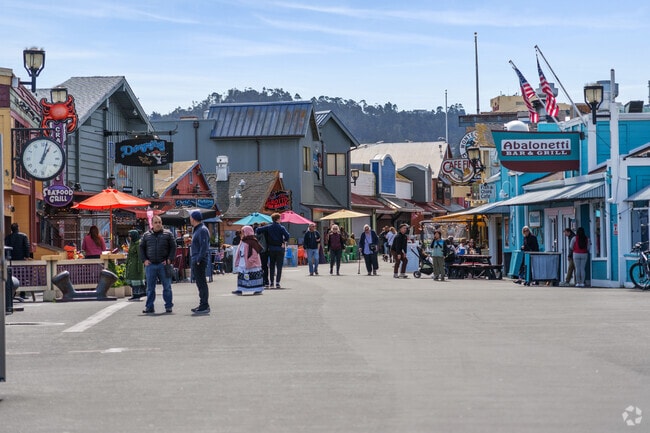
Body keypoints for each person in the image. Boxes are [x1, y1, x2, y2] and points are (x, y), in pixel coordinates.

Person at [139, 215, 176, 314]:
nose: (158, 224)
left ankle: (168, 306)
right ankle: (149, 307)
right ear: (152, 224)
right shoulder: (146, 235)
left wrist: (169, 259)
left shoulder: (168, 234)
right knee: (150, 288)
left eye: (159, 222)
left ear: (162, 223)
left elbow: (173, 247)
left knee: (167, 287)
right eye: (156, 222)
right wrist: (144, 260)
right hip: (150, 265)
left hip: (163, 264)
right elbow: (141, 248)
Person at [256, 212, 290, 289]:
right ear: (278, 219)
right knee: (279, 266)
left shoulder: (269, 227)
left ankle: (271, 282)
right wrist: (284, 241)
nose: (281, 220)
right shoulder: (281, 227)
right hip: (280, 248)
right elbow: (287, 236)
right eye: (280, 218)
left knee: (271, 266)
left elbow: (258, 230)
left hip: (271, 248)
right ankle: (277, 282)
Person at [189, 210, 211, 314]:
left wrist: (199, 259)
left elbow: (204, 246)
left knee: (201, 283)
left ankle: (204, 305)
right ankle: (202, 303)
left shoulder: (202, 229)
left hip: (199, 260)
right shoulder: (197, 229)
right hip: (196, 258)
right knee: (199, 283)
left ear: (193, 218)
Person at [233, 225, 264, 295]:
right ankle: (240, 289)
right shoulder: (243, 241)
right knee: (241, 275)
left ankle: (258, 289)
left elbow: (255, 254)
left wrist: (250, 261)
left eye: (243, 232)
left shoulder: (253, 242)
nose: (242, 234)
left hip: (251, 263)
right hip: (242, 261)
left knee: (253, 276)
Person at [5, 223, 31, 299]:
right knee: (23, 276)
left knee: (12, 276)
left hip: (11, 260)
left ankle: (13, 293)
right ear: (18, 228)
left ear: (11, 229)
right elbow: (26, 246)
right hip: (21, 259)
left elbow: (5, 248)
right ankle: (22, 294)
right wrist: (27, 256)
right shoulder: (23, 236)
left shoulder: (8, 237)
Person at [125, 230, 146, 301]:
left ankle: (137, 294)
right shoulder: (132, 243)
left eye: (130, 236)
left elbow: (140, 256)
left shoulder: (138, 244)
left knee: (136, 280)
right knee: (132, 280)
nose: (129, 238)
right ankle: (134, 294)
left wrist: (139, 267)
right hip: (131, 265)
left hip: (136, 265)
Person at [255, 222, 269, 287]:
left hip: (260, 251)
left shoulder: (258, 233)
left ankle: (262, 280)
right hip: (266, 250)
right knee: (265, 266)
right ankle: (266, 280)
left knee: (261, 266)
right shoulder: (267, 232)